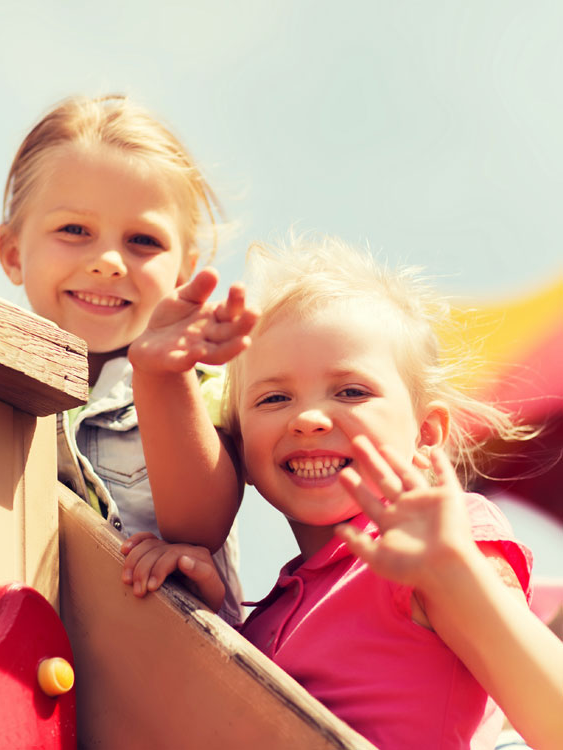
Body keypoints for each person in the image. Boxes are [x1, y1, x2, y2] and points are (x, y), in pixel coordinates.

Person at [122, 236, 563, 749]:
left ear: (426, 433)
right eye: (274, 398)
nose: (308, 418)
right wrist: (205, 613)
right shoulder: (265, 621)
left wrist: (455, 574)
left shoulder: (436, 542)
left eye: (351, 391)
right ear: (239, 448)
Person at [0, 94, 256, 624]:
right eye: (74, 231)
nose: (109, 262)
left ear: (185, 270)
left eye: (143, 240)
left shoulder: (198, 379)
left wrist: (163, 374)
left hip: (164, 673)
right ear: (14, 254)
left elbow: (199, 528)